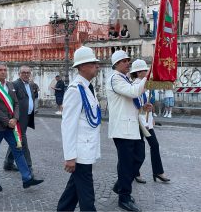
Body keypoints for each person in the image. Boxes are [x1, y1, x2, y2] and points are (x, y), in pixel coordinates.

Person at [0, 62, 43, 192]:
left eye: (5, 70)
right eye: (0, 70)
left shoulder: (10, 85)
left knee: (18, 149)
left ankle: (27, 178)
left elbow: (16, 103)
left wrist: (15, 118)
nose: (3, 72)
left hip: (11, 125)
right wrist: (7, 121)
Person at [106, 50, 151, 212]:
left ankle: (120, 185)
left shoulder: (124, 78)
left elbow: (130, 99)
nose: (128, 63)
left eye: (128, 60)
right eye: (124, 61)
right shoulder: (115, 78)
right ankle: (124, 197)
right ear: (116, 64)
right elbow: (133, 92)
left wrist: (143, 106)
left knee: (139, 156)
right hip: (122, 128)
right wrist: (148, 76)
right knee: (126, 164)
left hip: (131, 126)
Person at [57, 46, 101, 211]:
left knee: (73, 191)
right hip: (80, 152)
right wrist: (70, 156)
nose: (96, 66)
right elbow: (68, 125)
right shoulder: (75, 90)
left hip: (87, 147)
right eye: (92, 63)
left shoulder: (88, 87)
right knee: (87, 196)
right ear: (82, 67)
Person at [130, 60, 170, 184]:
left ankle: (157, 171)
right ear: (138, 72)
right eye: (144, 70)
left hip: (147, 122)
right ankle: (135, 172)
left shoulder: (147, 85)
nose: (147, 72)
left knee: (155, 145)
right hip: (139, 123)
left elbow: (148, 106)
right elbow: (137, 107)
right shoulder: (134, 86)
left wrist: (151, 120)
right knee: (138, 150)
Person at [4, 66, 36, 172]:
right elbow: (10, 102)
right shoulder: (14, 84)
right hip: (17, 118)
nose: (26, 74)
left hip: (27, 117)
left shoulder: (30, 85)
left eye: (28, 72)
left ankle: (8, 163)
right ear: (19, 74)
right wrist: (13, 117)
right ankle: (28, 165)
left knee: (17, 139)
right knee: (22, 140)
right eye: (23, 73)